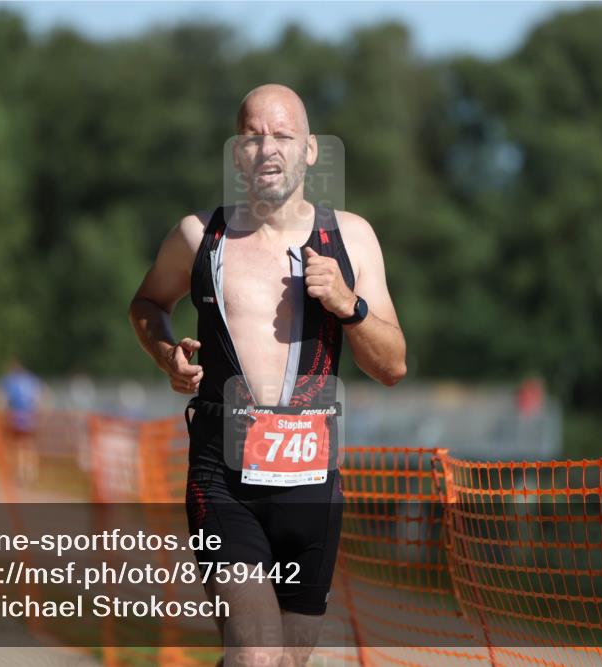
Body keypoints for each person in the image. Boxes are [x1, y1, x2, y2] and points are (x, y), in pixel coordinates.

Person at [129, 84, 406, 666]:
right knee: (256, 654)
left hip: (311, 485)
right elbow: (147, 305)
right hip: (222, 478)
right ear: (237, 154)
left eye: (282, 135)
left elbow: (392, 366)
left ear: (310, 151)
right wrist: (165, 355)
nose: (268, 148)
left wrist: (349, 304)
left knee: (285, 661)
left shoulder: (351, 239)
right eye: (253, 136)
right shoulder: (199, 237)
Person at [0, 359, 45, 485]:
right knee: (29, 445)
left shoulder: (10, 380)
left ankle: (21, 472)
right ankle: (30, 473)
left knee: (17, 445)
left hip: (17, 416)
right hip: (30, 416)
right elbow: (42, 396)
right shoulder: (32, 379)